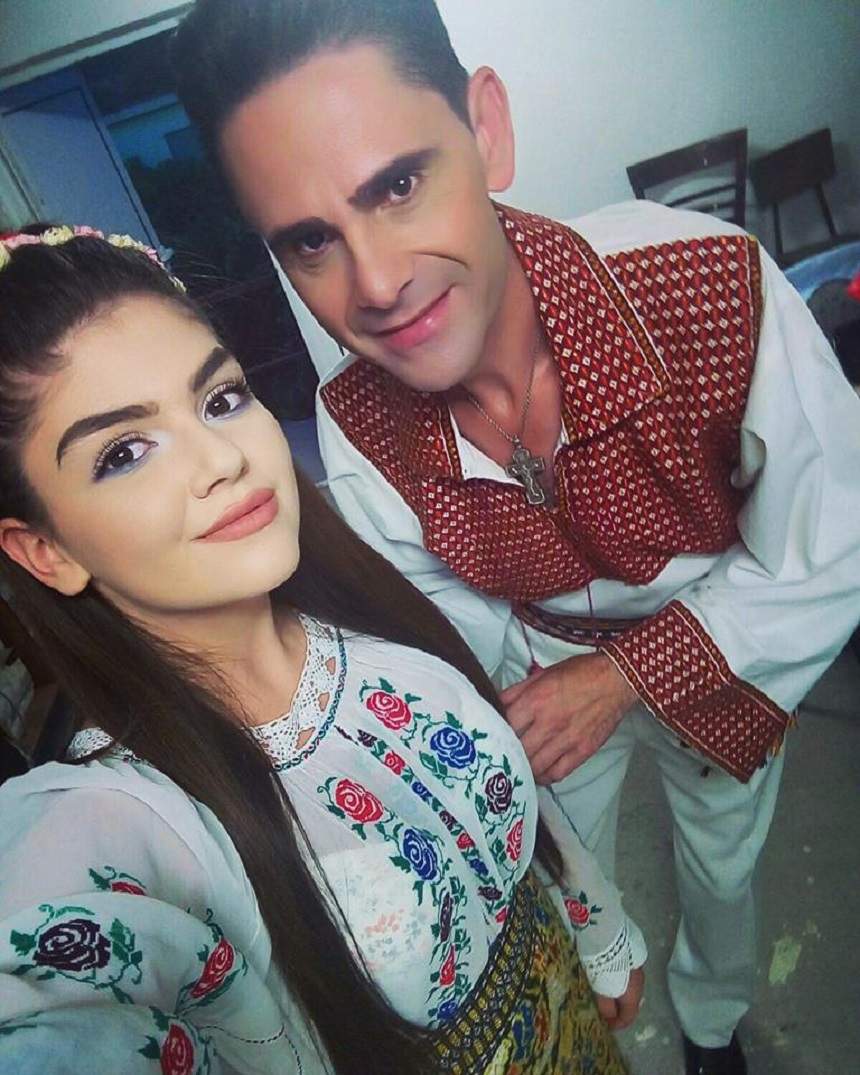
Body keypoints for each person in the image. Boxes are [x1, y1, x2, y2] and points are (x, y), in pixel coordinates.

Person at [172, 3, 860, 1073]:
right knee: (553, 847)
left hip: (729, 627)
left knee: (723, 863)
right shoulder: (354, 419)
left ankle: (712, 1022)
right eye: (310, 240)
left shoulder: (704, 286)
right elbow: (447, 629)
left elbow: (833, 543)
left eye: (399, 184)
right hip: (533, 661)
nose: (377, 285)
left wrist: (627, 674)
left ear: (485, 129)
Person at [0, 226, 646, 1075]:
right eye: (124, 452)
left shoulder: (374, 615)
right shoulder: (128, 828)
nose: (223, 457)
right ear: (46, 551)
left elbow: (510, 778)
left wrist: (596, 920)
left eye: (221, 398)